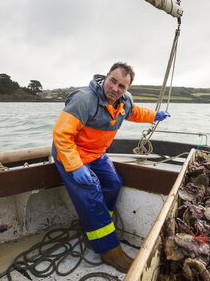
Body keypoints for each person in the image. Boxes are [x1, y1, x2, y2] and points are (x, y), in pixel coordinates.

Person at [51, 62, 170, 273]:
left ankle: (95, 224)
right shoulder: (83, 100)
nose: (115, 88)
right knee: (91, 191)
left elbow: (135, 113)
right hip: (70, 154)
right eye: (113, 81)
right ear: (105, 77)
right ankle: (108, 250)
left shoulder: (125, 101)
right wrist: (75, 166)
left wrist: (154, 116)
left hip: (96, 154)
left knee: (114, 183)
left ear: (127, 89)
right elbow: (61, 135)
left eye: (122, 86)